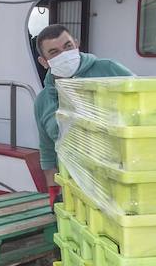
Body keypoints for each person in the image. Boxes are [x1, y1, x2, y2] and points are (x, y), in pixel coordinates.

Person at [32, 24, 132, 197]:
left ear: (76, 45)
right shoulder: (42, 102)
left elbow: (139, 105)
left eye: (68, 46)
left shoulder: (109, 70)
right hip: (74, 189)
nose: (64, 54)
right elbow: (47, 153)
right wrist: (54, 194)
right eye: (54, 52)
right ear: (44, 62)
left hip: (119, 183)